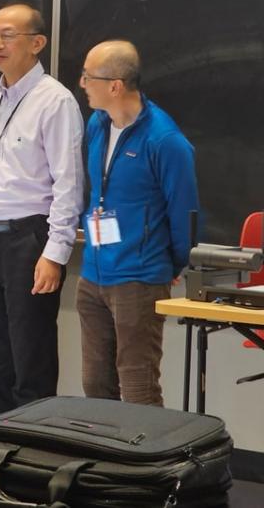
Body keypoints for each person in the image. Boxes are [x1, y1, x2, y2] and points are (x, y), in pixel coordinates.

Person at [0, 2, 84, 416]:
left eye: (7, 35)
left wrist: (55, 254)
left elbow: (68, 183)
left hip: (27, 240)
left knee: (29, 359)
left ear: (36, 43)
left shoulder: (55, 101)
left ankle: (33, 458)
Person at [77, 40, 197, 405]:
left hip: (139, 279)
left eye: (87, 76)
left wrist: (169, 264)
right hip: (93, 274)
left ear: (115, 85)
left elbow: (185, 214)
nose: (81, 84)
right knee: (95, 386)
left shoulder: (165, 140)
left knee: (138, 389)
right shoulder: (97, 125)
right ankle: (104, 460)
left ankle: (144, 462)